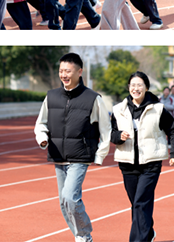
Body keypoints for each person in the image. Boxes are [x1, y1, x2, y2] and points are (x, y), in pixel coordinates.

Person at [34, 53, 111, 242]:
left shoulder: (93, 98)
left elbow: (105, 129)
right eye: (61, 71)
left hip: (80, 156)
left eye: (68, 71)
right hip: (58, 155)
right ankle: (80, 236)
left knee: (70, 197)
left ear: (79, 71)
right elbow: (40, 123)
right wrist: (42, 139)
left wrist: (100, 155)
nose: (64, 75)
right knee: (64, 203)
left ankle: (84, 236)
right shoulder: (51, 97)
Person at [111, 71, 174, 242]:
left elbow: (173, 129)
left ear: (146, 87)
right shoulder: (118, 110)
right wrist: (118, 136)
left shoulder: (158, 109)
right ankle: (148, 233)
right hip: (127, 163)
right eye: (133, 85)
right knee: (137, 204)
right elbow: (110, 133)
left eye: (139, 85)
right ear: (129, 87)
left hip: (151, 163)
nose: (136, 88)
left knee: (141, 202)